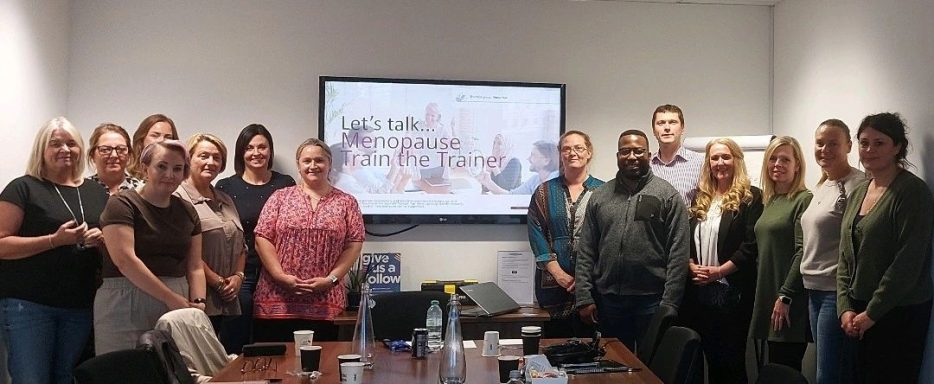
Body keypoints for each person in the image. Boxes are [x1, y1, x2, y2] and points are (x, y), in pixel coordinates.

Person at [0, 117, 109, 384]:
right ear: (42, 150)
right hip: (29, 305)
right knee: (31, 379)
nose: (65, 149)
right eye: (56, 143)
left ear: (81, 149)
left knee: (64, 378)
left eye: (71, 143)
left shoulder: (97, 191)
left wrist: (102, 239)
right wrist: (54, 240)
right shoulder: (23, 187)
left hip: (80, 305)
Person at [838, 112, 932, 384]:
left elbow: (908, 262)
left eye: (879, 143)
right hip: (857, 312)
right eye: (864, 142)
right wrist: (844, 307)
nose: (869, 150)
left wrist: (872, 313)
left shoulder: (913, 192)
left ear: (897, 147)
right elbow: (846, 255)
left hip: (897, 313)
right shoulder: (859, 191)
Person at [574, 129, 689, 350]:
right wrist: (584, 297)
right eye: (625, 151)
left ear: (648, 154)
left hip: (652, 301)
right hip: (609, 302)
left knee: (652, 370)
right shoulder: (600, 196)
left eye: (639, 151)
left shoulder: (667, 195)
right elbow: (586, 249)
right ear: (618, 156)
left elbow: (679, 252)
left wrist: (669, 303)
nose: (632, 156)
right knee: (613, 366)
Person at [95, 140, 206, 355]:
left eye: (177, 168)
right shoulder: (122, 204)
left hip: (177, 299)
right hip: (125, 298)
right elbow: (125, 261)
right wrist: (169, 297)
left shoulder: (187, 211)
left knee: (173, 373)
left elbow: (195, 266)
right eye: (161, 166)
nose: (170, 174)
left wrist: (199, 303)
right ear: (145, 168)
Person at [251, 138, 364, 342]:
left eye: (319, 160)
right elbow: (262, 238)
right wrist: (279, 276)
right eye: (307, 161)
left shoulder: (347, 202)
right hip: (276, 299)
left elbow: (354, 244)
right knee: (276, 368)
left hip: (325, 300)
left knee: (322, 368)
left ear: (329, 164)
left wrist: (331, 280)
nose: (313, 166)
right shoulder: (279, 197)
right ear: (299, 165)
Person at [785, 119, 864, 384]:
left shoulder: (859, 185)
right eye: (820, 143)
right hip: (813, 291)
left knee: (828, 375)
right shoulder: (822, 185)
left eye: (833, 143)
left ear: (848, 146)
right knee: (827, 367)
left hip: (836, 292)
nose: (825, 149)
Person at [682, 138, 762, 383]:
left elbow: (750, 246)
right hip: (700, 294)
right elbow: (687, 237)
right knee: (709, 360)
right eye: (714, 158)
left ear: (736, 160)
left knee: (732, 362)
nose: (720, 162)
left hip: (732, 294)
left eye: (725, 157)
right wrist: (690, 265)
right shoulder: (701, 197)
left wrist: (719, 272)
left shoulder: (751, 197)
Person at [215, 124, 295, 352]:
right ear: (241, 152)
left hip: (279, 271)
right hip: (243, 271)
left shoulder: (285, 183)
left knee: (273, 337)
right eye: (249, 147)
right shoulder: (226, 186)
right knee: (238, 332)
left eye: (262, 146)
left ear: (270, 151)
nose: (256, 152)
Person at [528, 130, 604, 338]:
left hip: (592, 286)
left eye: (578, 148)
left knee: (589, 353)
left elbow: (609, 240)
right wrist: (559, 275)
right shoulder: (544, 191)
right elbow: (536, 234)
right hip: (552, 286)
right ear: (560, 154)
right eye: (566, 149)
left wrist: (585, 279)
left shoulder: (606, 192)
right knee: (554, 351)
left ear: (589, 152)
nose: (572, 153)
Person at [175, 134, 245, 353]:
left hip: (228, 299)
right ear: (188, 159)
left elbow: (241, 245)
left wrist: (237, 278)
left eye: (216, 157)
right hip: (197, 296)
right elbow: (185, 249)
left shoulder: (225, 198)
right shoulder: (178, 197)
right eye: (204, 156)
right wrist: (218, 283)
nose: (211, 162)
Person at [749, 136, 811, 371]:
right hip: (768, 296)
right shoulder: (771, 200)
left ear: (797, 165)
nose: (777, 164)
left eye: (785, 159)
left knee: (786, 368)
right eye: (773, 158)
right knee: (773, 368)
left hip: (788, 300)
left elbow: (803, 251)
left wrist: (785, 295)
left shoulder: (803, 200)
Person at [649, 104, 704, 206]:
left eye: (672, 122)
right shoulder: (647, 165)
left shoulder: (700, 162)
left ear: (682, 128)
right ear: (653, 130)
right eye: (661, 123)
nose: (667, 128)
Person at [481, 140, 559, 195]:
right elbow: (511, 196)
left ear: (546, 161)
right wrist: (488, 182)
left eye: (533, 155)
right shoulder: (535, 180)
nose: (528, 158)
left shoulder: (558, 181)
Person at [86, 123, 141, 195]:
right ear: (92, 155)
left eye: (121, 149)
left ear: (129, 154)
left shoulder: (142, 190)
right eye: (105, 150)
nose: (114, 155)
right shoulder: (83, 190)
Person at [127, 113, 178, 179]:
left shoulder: (178, 177)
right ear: (141, 140)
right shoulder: (126, 176)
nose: (161, 140)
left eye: (168, 137)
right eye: (155, 135)